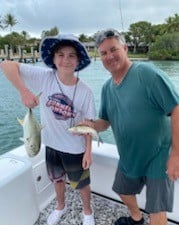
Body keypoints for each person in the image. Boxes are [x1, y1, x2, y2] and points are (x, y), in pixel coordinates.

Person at [80, 29, 179, 225]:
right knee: (122, 190)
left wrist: (176, 154)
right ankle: (136, 218)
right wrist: (90, 125)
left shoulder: (147, 74)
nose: (109, 56)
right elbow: (105, 121)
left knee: (157, 209)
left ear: (125, 48)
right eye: (104, 53)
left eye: (113, 49)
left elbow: (176, 108)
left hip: (158, 154)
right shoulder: (107, 87)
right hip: (130, 155)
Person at [0, 34, 96, 225]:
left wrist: (88, 151)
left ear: (78, 61)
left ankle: (87, 212)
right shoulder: (44, 77)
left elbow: (89, 124)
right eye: (60, 54)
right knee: (57, 180)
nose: (66, 60)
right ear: (53, 59)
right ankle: (61, 206)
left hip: (75, 149)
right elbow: (6, 65)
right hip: (51, 145)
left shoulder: (86, 91)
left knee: (82, 184)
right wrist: (24, 91)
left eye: (71, 56)